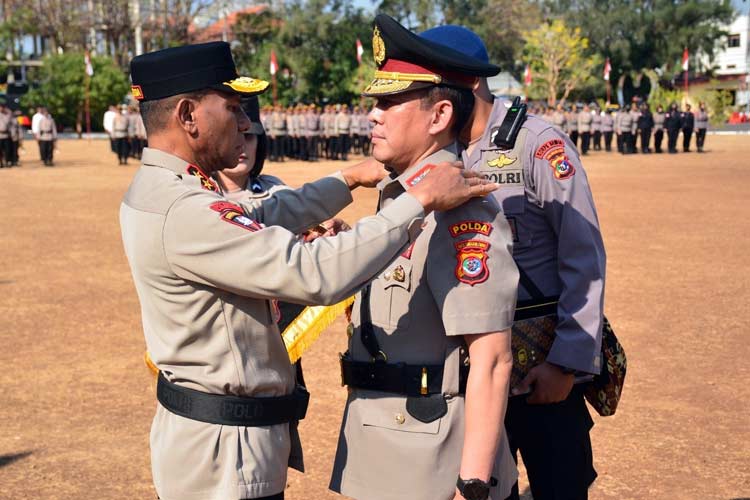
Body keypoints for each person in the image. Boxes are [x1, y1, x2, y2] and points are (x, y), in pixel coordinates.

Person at [121, 40, 497, 500]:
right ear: (187, 115)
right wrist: (417, 203)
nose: (245, 123)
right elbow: (314, 273)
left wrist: (348, 180)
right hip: (222, 455)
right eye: (234, 108)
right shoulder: (184, 208)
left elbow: (262, 213)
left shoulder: (167, 188)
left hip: (216, 441)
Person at [330, 15, 518, 500]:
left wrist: (472, 484)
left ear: (438, 117)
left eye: (390, 102)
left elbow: (491, 357)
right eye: (375, 101)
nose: (373, 114)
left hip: (429, 462)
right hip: (379, 442)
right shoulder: (399, 196)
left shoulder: (464, 209)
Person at [421, 23, 607, 500]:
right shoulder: (439, 155)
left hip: (540, 365)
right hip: (466, 369)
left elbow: (582, 260)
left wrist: (566, 362)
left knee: (558, 486)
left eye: (433, 89)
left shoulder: (538, 145)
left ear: (469, 83)